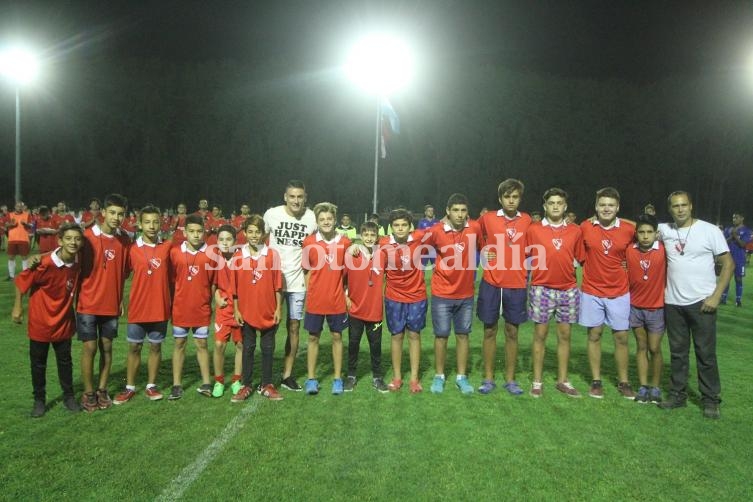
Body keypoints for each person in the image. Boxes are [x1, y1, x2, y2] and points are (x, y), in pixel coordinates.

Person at [658, 191, 732, 419]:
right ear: (670, 209)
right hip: (673, 304)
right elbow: (638, 226)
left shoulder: (710, 230)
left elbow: (727, 264)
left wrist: (716, 296)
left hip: (703, 303)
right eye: (675, 206)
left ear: (691, 206)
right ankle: (678, 395)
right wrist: (596, 219)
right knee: (678, 354)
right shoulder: (665, 230)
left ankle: (710, 399)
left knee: (705, 354)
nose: (680, 210)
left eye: (683, 205)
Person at [12, 223, 84, 417]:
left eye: (77, 239)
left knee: (65, 362)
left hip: (63, 323)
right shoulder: (43, 263)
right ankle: (39, 401)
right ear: (59, 240)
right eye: (68, 238)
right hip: (40, 323)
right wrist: (17, 307)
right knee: (38, 364)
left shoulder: (77, 262)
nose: (73, 242)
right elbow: (21, 282)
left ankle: (69, 398)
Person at [525, 188, 585, 398]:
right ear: (545, 206)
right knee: (540, 335)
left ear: (565, 206)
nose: (556, 206)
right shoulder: (533, 230)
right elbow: (525, 258)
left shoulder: (575, 231)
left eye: (560, 203)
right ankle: (537, 381)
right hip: (541, 288)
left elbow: (581, 259)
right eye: (552, 203)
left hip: (568, 289)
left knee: (565, 336)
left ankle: (562, 380)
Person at [579, 187, 636, 399]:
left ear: (618, 207)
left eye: (611, 205)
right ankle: (596, 381)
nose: (606, 208)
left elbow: (640, 248)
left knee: (621, 337)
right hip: (592, 290)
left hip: (619, 291)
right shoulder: (585, 226)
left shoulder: (629, 230)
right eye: (602, 204)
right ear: (596, 206)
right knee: (594, 334)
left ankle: (624, 382)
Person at [77, 193, 131, 412]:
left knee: (107, 347)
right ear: (103, 213)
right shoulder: (87, 237)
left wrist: (119, 298)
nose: (116, 217)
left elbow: (125, 271)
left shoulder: (124, 239)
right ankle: (88, 392)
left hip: (110, 304)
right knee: (90, 348)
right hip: (88, 302)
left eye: (120, 214)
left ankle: (102, 389)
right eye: (112, 213)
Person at [477, 179, 531, 395]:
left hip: (516, 283)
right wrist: (483, 252)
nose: (511, 200)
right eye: (507, 196)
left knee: (512, 332)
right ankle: (488, 379)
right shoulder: (488, 218)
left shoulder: (527, 220)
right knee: (489, 330)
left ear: (520, 198)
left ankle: (510, 380)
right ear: (500, 199)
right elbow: (474, 234)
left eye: (515, 196)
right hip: (491, 282)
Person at [113, 206, 172, 404]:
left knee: (155, 347)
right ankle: (129, 387)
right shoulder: (132, 249)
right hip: (138, 307)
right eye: (147, 222)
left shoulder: (167, 247)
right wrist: (119, 299)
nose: (152, 226)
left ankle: (151, 386)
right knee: (134, 347)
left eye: (155, 222)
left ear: (161, 223)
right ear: (139, 224)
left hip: (160, 306)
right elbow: (122, 276)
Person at [424, 194, 481, 395]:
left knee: (463, 335)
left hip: (466, 294)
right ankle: (439, 376)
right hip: (442, 293)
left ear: (468, 212)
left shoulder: (474, 228)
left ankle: (461, 377)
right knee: (441, 336)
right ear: (448, 211)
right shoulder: (436, 231)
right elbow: (418, 247)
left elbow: (485, 245)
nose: (459, 214)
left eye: (463, 210)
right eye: (455, 210)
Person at [263, 180, 317, 391]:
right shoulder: (272, 214)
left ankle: (287, 375)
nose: (296, 201)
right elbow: (259, 238)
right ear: (285, 197)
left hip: (297, 283)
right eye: (292, 196)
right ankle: (266, 375)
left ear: (305, 198)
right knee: (270, 327)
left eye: (300, 197)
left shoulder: (311, 217)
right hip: (272, 282)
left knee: (294, 327)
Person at [231, 215, 284, 401]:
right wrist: (236, 310)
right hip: (246, 312)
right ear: (244, 233)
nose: (254, 235)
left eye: (258, 232)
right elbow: (234, 289)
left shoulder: (272, 255)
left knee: (268, 348)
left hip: (268, 310)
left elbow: (278, 284)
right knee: (248, 348)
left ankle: (267, 384)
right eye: (250, 232)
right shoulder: (238, 256)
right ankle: (246, 385)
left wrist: (278, 308)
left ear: (263, 234)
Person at [301, 202, 351, 395]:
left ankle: (337, 379)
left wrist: (346, 293)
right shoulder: (309, 242)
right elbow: (306, 270)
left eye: (329, 219)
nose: (326, 222)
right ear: (317, 221)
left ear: (335, 219)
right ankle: (311, 379)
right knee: (313, 337)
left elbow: (348, 273)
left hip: (336, 299)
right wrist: (309, 292)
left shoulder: (345, 242)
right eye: (322, 219)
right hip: (316, 299)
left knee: (337, 337)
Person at [168, 214, 217, 399]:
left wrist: (208, 300)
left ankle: (206, 382)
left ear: (204, 232)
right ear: (185, 232)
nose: (196, 235)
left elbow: (213, 282)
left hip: (201, 308)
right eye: (192, 231)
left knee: (202, 344)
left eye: (199, 231)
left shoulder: (211, 254)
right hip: (180, 307)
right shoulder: (175, 252)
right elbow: (171, 279)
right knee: (179, 343)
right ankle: (176, 384)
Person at [381, 208, 427, 393]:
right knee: (397, 335)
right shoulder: (384, 243)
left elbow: (441, 228)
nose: (400, 229)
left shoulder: (419, 238)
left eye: (404, 225)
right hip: (394, 297)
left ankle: (414, 379)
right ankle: (397, 377)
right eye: (396, 225)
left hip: (417, 296)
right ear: (391, 227)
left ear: (410, 227)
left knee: (414, 335)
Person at [344, 221, 389, 392]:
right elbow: (342, 279)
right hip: (355, 308)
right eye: (366, 235)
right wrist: (345, 296)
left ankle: (378, 377)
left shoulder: (382, 255)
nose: (369, 238)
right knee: (353, 344)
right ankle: (351, 376)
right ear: (360, 236)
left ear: (377, 237)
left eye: (372, 235)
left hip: (375, 310)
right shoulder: (352, 255)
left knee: (375, 346)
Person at [626, 214, 666, 404]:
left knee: (654, 347)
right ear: (636, 233)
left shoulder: (663, 251)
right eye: (641, 232)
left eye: (649, 232)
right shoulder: (629, 250)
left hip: (657, 308)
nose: (645, 236)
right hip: (635, 306)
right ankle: (643, 387)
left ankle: (656, 387)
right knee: (641, 347)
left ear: (656, 234)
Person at [211, 225, 244, 398]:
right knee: (219, 345)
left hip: (239, 309)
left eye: (229, 239)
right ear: (216, 241)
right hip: (223, 308)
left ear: (235, 241)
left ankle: (237, 380)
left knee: (240, 344)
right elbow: (213, 284)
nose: (225, 243)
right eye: (221, 239)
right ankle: (218, 381)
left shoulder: (242, 259)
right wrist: (216, 297)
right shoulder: (215, 260)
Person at [722, 212, 751, 307]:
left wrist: (735, 236)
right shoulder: (728, 229)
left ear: (742, 218)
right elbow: (723, 243)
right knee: (726, 278)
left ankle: (738, 300)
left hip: (739, 258)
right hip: (728, 258)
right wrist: (732, 236)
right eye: (733, 218)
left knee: (738, 279)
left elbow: (743, 244)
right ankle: (723, 298)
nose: (734, 219)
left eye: (736, 218)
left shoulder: (747, 230)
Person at [6, 201, 32, 280]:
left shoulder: (27, 214)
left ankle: (25, 275)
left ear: (23, 207)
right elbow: (6, 224)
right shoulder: (10, 214)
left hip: (23, 239)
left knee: (24, 258)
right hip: (12, 239)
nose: (19, 208)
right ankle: (11, 276)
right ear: (15, 207)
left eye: (21, 206)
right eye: (18, 206)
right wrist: (12, 225)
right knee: (11, 257)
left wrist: (26, 224)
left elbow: (31, 225)